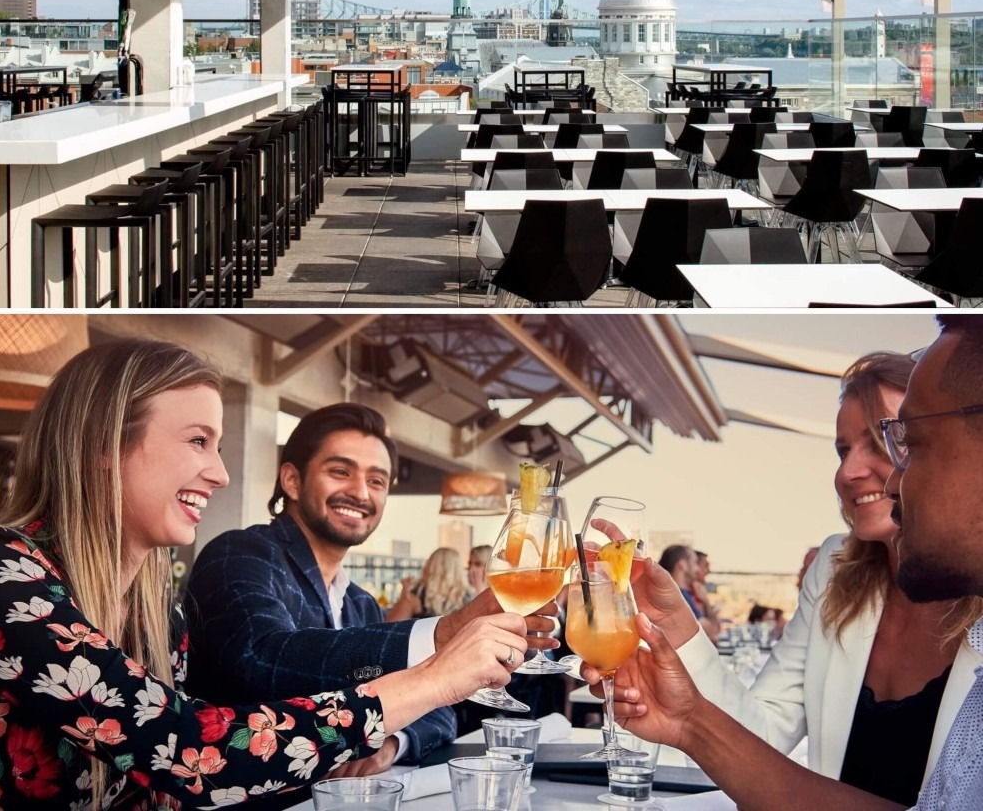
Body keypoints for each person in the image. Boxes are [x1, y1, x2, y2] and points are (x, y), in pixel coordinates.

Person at [0, 338, 528, 810]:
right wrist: (431, 673)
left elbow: (173, 767)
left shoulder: (155, 609)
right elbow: (191, 748)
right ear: (104, 446)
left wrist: (396, 727)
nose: (220, 473)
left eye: (217, 446)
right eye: (198, 440)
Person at [599, 315, 983, 810]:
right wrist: (679, 629)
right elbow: (762, 729)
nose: (851, 472)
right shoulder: (835, 568)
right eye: (843, 449)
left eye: (891, 441)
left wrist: (691, 722)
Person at [185, 403, 557, 780]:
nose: (360, 492)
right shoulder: (240, 554)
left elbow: (440, 712)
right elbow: (262, 660)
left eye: (377, 481)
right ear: (292, 481)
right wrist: (443, 634)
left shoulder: (359, 602)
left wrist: (392, 741)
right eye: (340, 471)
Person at [386, 547, 474, 621]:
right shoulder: (468, 596)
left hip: (422, 641)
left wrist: (403, 596)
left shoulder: (416, 594)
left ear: (430, 566)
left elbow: (390, 627)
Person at [658, 544, 721, 641]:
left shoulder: (679, 593)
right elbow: (712, 630)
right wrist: (706, 601)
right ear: (682, 565)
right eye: (695, 562)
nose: (697, 569)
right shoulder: (679, 596)